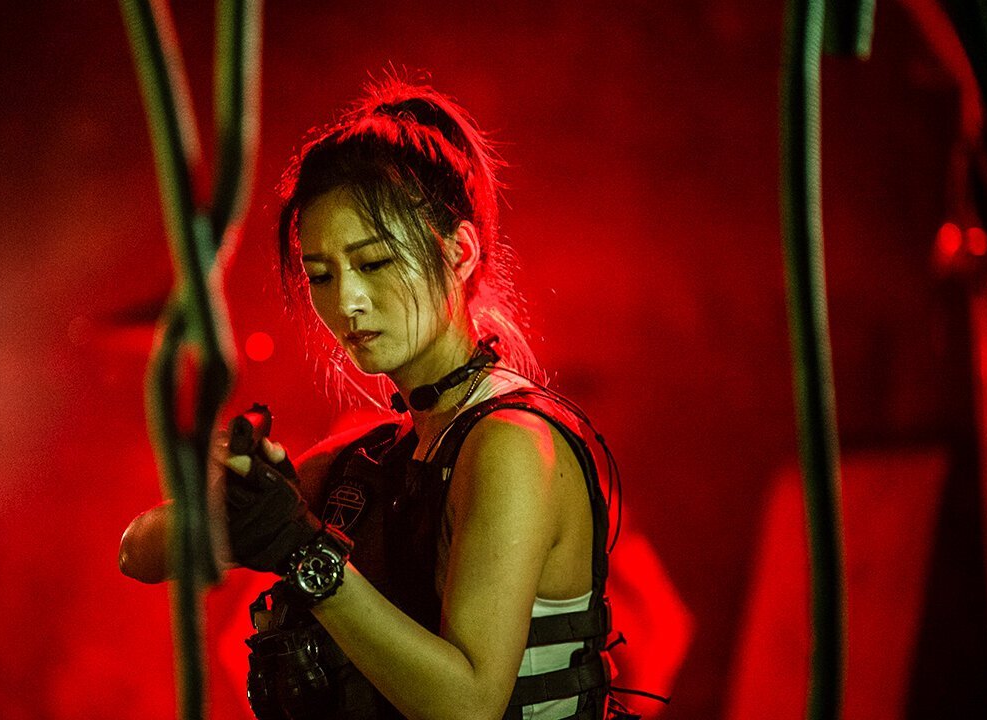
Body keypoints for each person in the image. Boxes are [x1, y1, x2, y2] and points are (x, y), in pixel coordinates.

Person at [120, 78, 632, 720]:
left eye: (375, 263)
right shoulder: (366, 463)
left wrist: (305, 552)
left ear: (460, 251)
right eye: (320, 275)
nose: (346, 301)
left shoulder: (511, 445)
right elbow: (139, 551)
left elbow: (468, 706)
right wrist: (239, 502)